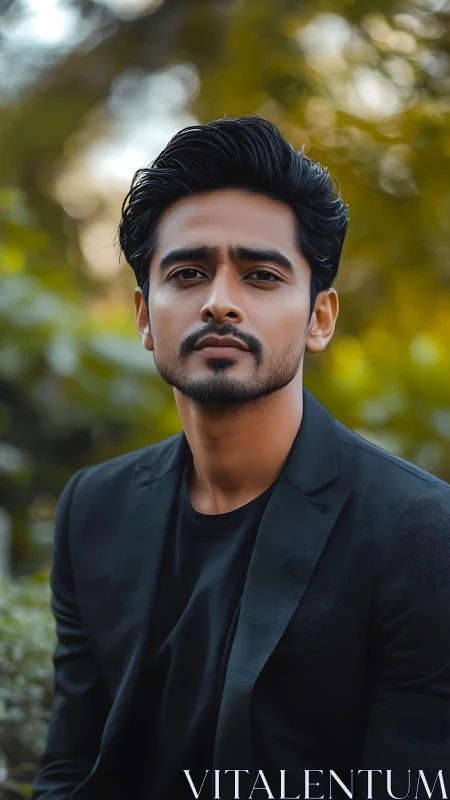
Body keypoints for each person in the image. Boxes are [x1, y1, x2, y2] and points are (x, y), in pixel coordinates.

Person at [32, 116, 450, 800]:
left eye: (260, 275)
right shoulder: (94, 509)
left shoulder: (420, 530)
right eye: (189, 273)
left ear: (319, 318)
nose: (220, 303)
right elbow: (71, 768)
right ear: (144, 316)